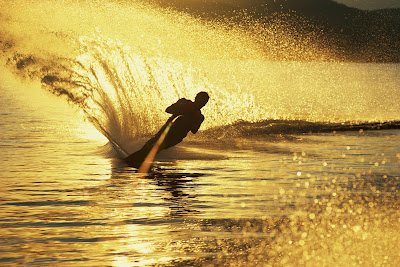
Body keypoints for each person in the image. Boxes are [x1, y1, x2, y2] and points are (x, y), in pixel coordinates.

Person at [125, 92, 209, 168]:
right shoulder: (185, 103)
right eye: (201, 100)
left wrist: (193, 122)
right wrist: (180, 108)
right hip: (169, 128)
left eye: (204, 102)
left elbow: (194, 131)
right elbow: (168, 110)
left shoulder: (200, 117)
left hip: (177, 137)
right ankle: (139, 155)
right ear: (196, 98)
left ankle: (142, 159)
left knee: (159, 147)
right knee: (153, 141)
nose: (202, 104)